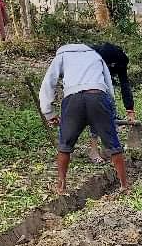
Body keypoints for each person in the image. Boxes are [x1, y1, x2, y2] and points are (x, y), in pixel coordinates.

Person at [39, 43, 130, 194]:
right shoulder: (95, 56)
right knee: (113, 144)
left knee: (65, 145)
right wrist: (109, 109)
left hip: (73, 100)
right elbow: (109, 86)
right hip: (97, 96)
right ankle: (124, 186)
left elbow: (48, 83)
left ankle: (61, 186)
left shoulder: (62, 56)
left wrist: (49, 112)